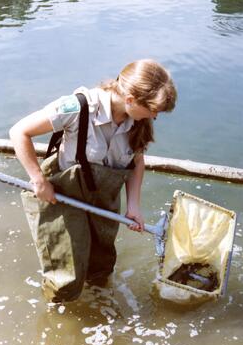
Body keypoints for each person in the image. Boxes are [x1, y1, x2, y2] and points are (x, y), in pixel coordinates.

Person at [9, 58, 177, 303]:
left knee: (101, 267)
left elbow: (136, 162)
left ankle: (98, 308)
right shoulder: (77, 107)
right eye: (152, 110)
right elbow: (19, 132)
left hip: (103, 198)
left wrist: (133, 206)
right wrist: (38, 180)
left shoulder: (138, 121)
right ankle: (59, 321)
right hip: (64, 198)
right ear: (130, 99)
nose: (155, 116)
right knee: (66, 275)